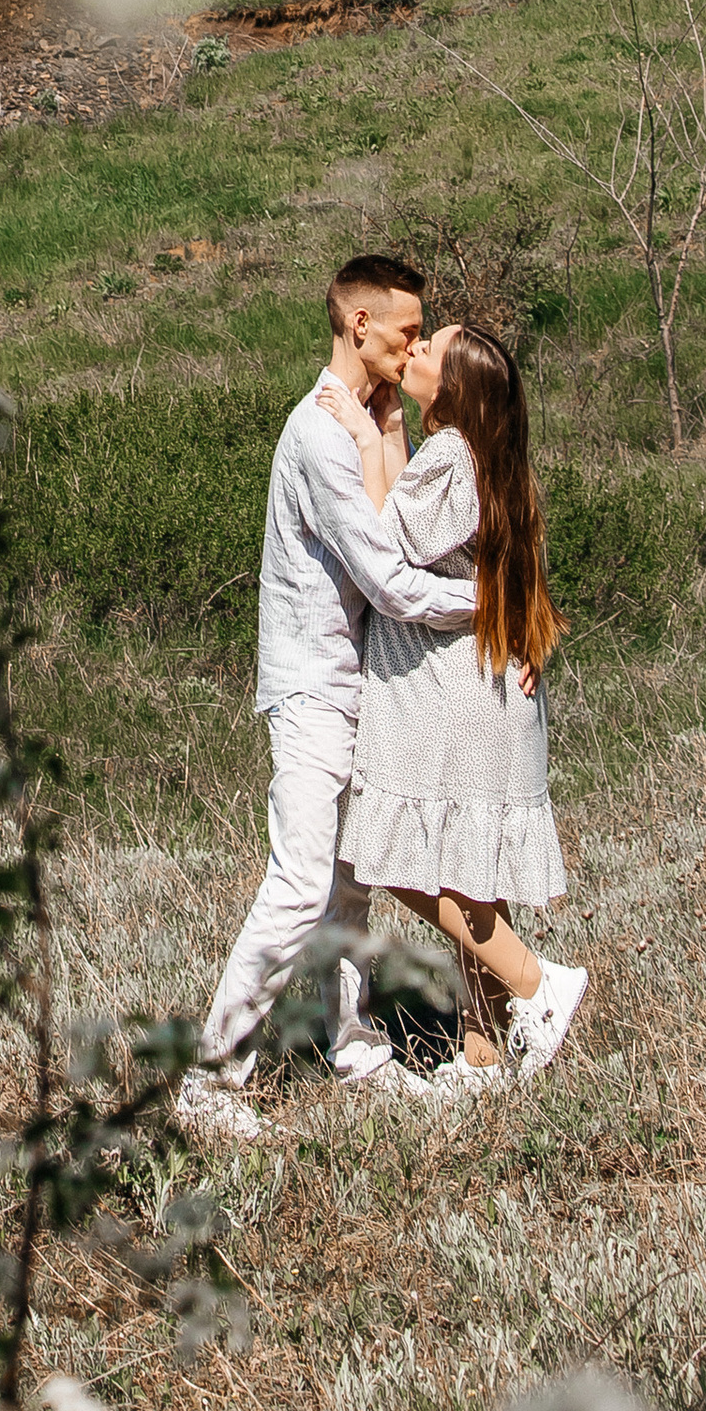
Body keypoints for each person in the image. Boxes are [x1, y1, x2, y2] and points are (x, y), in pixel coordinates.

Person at [179, 253, 481, 1142]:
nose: (416, 345)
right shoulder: (318, 432)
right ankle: (210, 1079)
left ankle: (349, 1048)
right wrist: (491, 605)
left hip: (356, 684)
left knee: (348, 890)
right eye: (407, 332)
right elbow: (388, 578)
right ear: (359, 326)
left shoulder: (369, 420)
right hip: (315, 688)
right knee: (301, 881)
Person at [321, 316, 587, 1099]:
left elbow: (384, 538)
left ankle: (538, 985)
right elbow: (420, 519)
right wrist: (396, 428)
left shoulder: (452, 457)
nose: (417, 350)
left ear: (457, 386)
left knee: (400, 860)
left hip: (452, 698)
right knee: (471, 873)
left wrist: (369, 443)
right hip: (490, 691)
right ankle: (480, 1049)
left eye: (431, 349)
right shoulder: (484, 460)